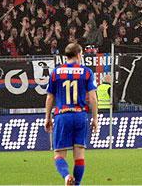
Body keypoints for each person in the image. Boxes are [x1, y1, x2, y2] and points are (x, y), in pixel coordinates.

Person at [45, 43, 98, 186]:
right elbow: (93, 98)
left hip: (62, 115)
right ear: (78, 54)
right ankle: (77, 184)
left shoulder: (56, 72)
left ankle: (67, 176)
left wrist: (47, 117)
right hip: (80, 115)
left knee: (59, 154)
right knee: (79, 155)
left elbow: (50, 97)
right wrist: (95, 118)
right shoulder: (86, 72)